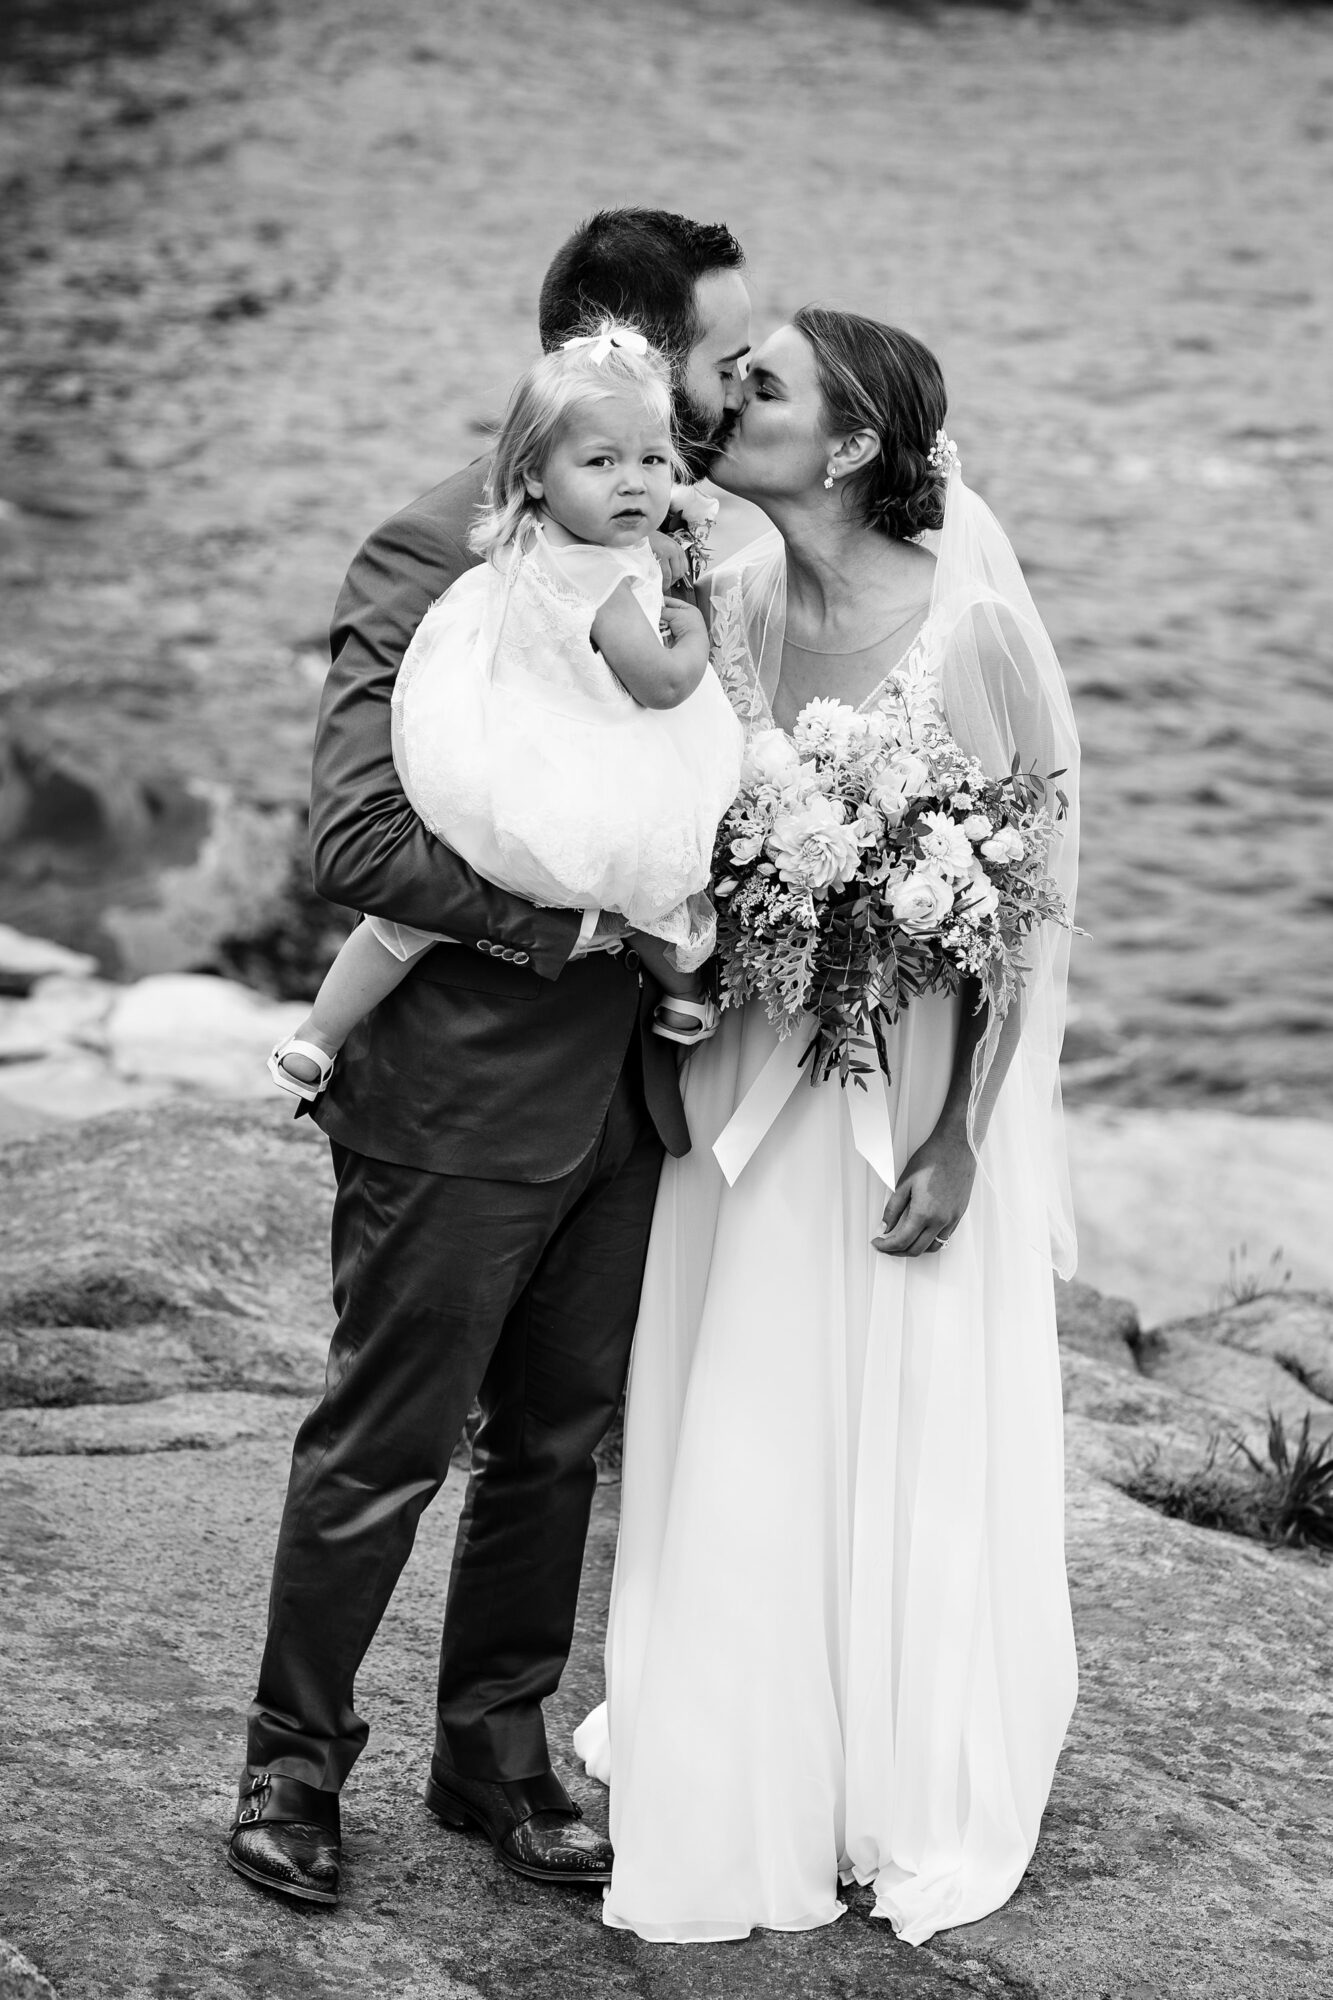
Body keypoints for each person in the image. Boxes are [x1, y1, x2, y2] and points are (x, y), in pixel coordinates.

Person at [226, 209, 751, 1909]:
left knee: (555, 1443)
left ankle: (495, 1753)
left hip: (626, 1097)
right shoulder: (430, 549)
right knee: (386, 1441)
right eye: (719, 366)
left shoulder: (671, 544)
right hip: (456, 1091)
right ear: (620, 349)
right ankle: (291, 1768)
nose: (737, 398)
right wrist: (568, 935)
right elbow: (360, 845)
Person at [574, 307, 1081, 1945]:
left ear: (853, 445)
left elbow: (1027, 912)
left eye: (764, 385)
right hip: (747, 1070)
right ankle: (736, 1748)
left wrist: (963, 1141)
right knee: (743, 1395)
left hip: (909, 1092)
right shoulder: (712, 604)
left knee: (888, 1406)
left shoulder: (973, 633)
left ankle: (886, 1777)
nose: (727, 397)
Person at [266, 326, 742, 1107]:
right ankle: (685, 999)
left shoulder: (530, 530)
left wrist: (659, 510)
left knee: (397, 931)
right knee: (654, 876)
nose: (634, 485)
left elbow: (614, 502)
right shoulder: (607, 582)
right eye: (603, 463)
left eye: (653, 462)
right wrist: (690, 634)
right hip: (579, 762)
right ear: (536, 471)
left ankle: (315, 1037)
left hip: (499, 743)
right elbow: (658, 687)